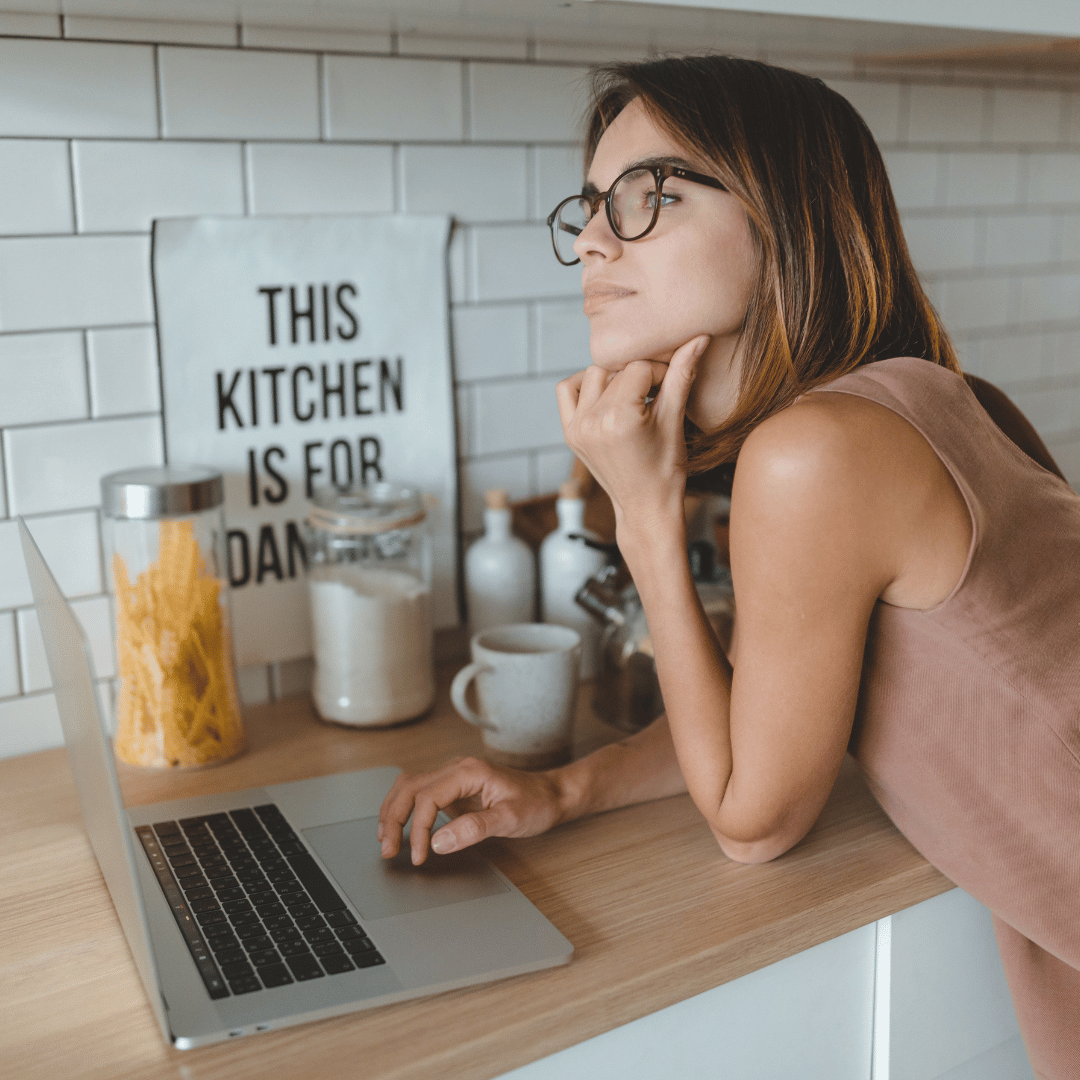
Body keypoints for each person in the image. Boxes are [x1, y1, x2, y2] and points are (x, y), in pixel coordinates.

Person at [378, 55, 1080, 1078]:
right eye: (588, 204)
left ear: (782, 216)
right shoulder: (911, 403)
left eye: (644, 196)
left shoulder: (814, 455)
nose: (591, 238)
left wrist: (645, 517)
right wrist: (561, 794)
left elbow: (755, 820)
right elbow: (765, 706)